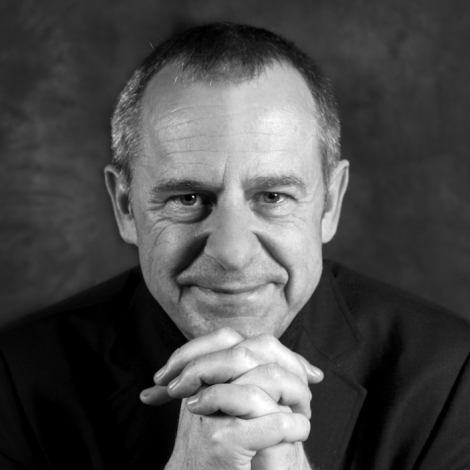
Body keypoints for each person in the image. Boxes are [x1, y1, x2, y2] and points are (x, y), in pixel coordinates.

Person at [0, 22, 469, 470]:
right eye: (187, 198)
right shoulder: (14, 381)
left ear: (330, 204)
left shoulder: (452, 379)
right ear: (126, 206)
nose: (232, 254)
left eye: (273, 197)